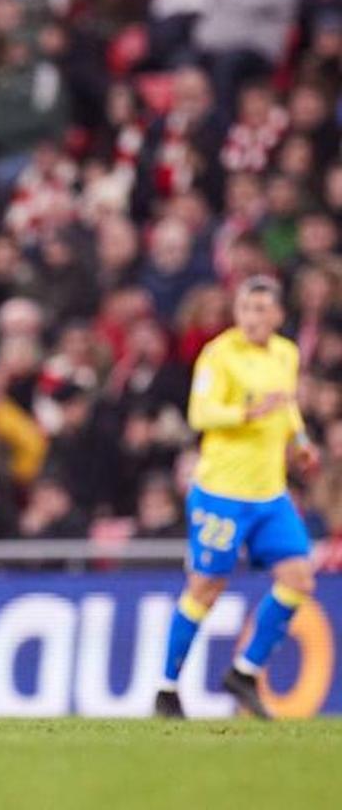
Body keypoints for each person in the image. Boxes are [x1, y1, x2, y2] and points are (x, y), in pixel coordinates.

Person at [155, 276, 319, 719]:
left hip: (270, 494)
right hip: (221, 494)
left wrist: (300, 439)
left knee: (299, 578)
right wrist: (247, 412)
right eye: (246, 309)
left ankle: (244, 672)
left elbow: (287, 407)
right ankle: (165, 689)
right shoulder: (220, 354)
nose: (252, 318)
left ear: (278, 315)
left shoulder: (286, 352)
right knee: (206, 588)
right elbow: (200, 412)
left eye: (262, 310)